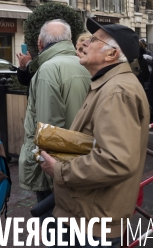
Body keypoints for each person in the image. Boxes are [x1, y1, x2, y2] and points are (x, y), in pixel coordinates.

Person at [40, 18, 149, 247]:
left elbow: (116, 161)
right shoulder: (108, 84)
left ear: (111, 55)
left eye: (93, 39)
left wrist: (59, 170)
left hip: (91, 223)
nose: (84, 44)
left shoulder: (116, 91)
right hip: (88, 216)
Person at [19, 20, 91, 219]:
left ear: (40, 43)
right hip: (85, 164)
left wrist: (53, 175)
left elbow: (48, 131)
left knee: (57, 231)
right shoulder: (84, 63)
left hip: (58, 173)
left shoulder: (48, 70)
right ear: (69, 40)